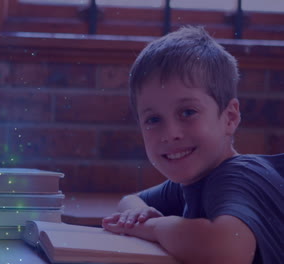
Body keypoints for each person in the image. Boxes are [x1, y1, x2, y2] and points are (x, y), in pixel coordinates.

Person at [102, 26, 284, 264]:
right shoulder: (192, 182)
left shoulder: (237, 175)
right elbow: (131, 199)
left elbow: (228, 251)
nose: (170, 133)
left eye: (188, 112)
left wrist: (154, 227)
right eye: (153, 119)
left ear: (229, 117)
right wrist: (137, 213)